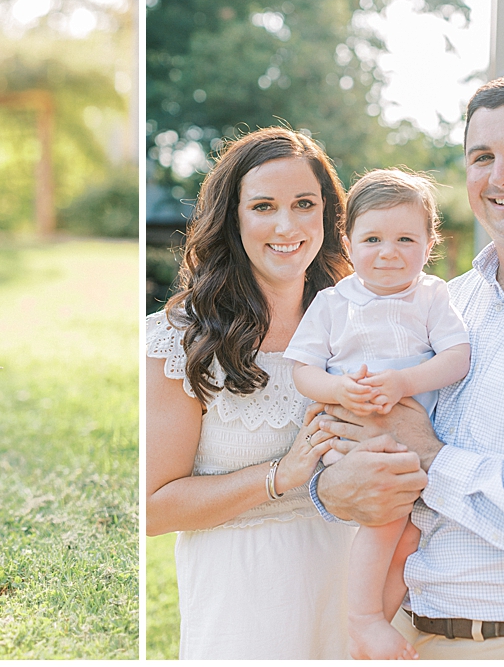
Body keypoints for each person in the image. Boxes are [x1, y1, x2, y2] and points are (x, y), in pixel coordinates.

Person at [308, 73, 504, 659]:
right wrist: (332, 482)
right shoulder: (445, 301)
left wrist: (432, 456)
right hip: (411, 633)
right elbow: (351, 449)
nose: (501, 176)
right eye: (482, 157)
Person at [147, 126, 355, 659]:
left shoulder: (360, 324)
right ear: (232, 217)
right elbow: (151, 509)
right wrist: (278, 478)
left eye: (304, 204)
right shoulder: (180, 338)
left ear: (328, 216)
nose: (286, 226)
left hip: (355, 592)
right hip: (244, 604)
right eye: (263, 206)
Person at [286, 168, 470, 659]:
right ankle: (363, 619)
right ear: (347, 241)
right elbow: (303, 370)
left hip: (413, 436)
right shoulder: (332, 301)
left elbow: (458, 358)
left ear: (429, 243)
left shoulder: (431, 295)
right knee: (389, 519)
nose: (389, 252)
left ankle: (374, 626)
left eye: (405, 238)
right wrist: (342, 391)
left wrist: (406, 382)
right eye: (373, 238)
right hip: (356, 436)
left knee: (412, 532)